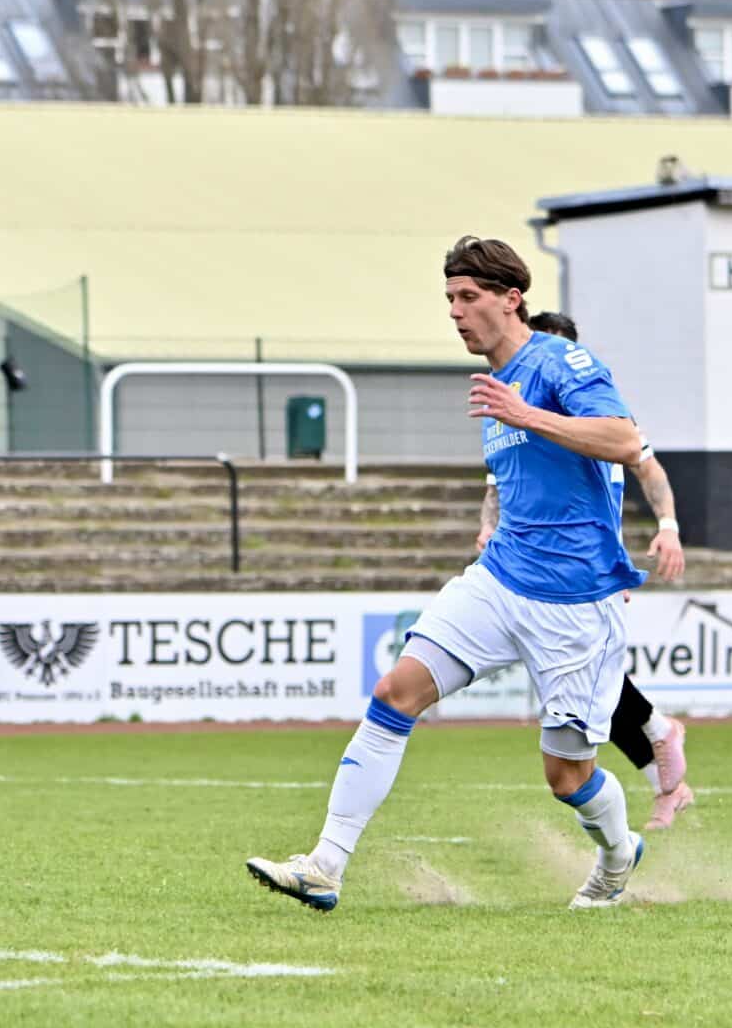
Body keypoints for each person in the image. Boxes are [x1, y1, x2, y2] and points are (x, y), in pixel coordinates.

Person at [247, 236, 650, 912]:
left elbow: (626, 440)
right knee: (395, 690)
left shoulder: (558, 361)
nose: (456, 312)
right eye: (449, 300)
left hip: (576, 604)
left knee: (567, 775)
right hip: (499, 581)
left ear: (510, 299)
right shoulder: (492, 382)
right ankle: (325, 865)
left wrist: (524, 412)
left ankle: (616, 855)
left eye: (469, 297)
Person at [474, 310, 693, 829]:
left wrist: (668, 525)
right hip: (537, 564)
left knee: (583, 683)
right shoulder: (517, 414)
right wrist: (487, 528)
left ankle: (659, 738)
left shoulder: (598, 416)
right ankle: (663, 766)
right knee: (583, 686)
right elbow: (495, 484)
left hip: (587, 565)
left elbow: (648, 466)